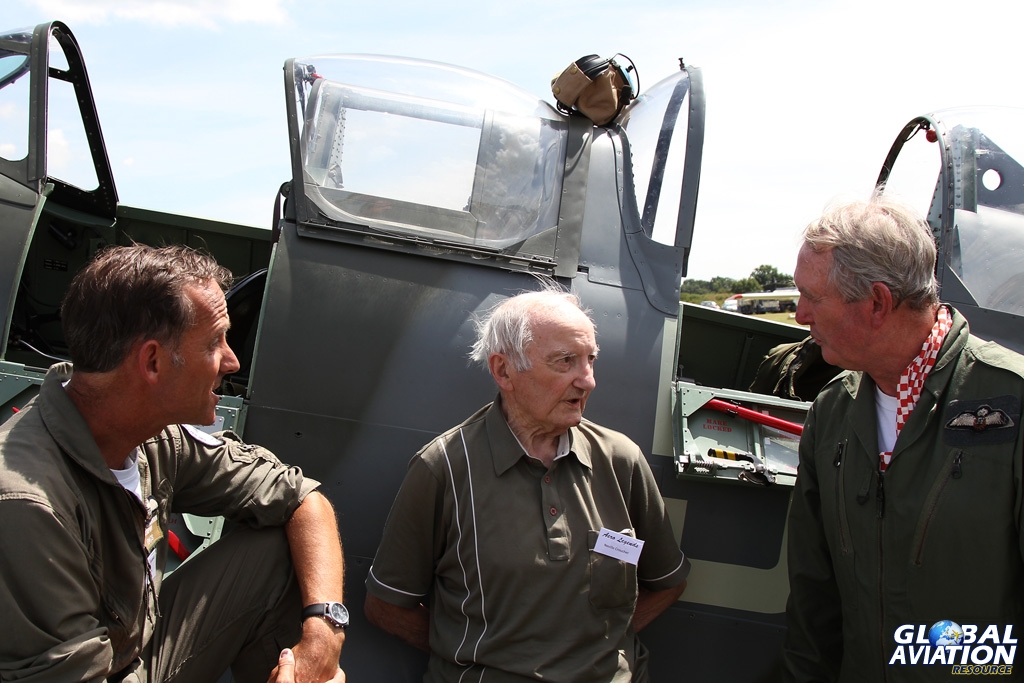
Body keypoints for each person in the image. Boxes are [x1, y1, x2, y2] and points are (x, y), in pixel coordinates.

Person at [0, 245, 347, 683]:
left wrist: (323, 636)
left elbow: (300, 499)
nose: (232, 361)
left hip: (135, 650)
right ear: (152, 362)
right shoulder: (29, 507)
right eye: (214, 342)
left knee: (282, 550)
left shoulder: (154, 436)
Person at [364, 288, 689, 682]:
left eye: (590, 360)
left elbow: (667, 582)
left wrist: (599, 651)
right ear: (504, 371)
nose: (587, 381)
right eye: (565, 361)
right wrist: (478, 657)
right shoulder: (444, 468)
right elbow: (386, 606)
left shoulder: (620, 460)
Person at [782, 195, 1024, 682]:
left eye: (813, 297)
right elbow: (814, 600)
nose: (800, 315)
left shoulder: (1012, 403)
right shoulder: (832, 412)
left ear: (877, 302)